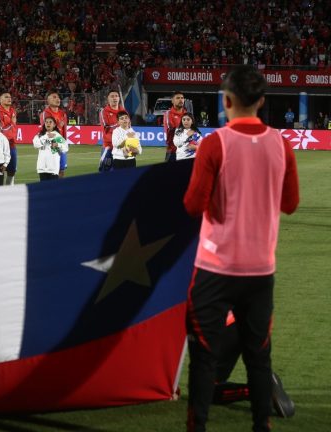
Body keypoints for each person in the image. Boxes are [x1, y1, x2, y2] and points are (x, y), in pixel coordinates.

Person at [183, 65, 300, 432]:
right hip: (260, 270)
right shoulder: (281, 144)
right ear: (261, 102)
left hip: (215, 267)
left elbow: (193, 205)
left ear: (226, 100)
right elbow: (290, 203)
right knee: (259, 359)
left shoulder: (214, 143)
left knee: (204, 358)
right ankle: (261, 426)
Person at [39, 91, 68, 177]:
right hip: (50, 146)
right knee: (51, 172)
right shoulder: (45, 114)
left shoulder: (63, 113)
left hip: (60, 144)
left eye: (58, 97)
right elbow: (45, 131)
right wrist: (58, 126)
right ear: (48, 100)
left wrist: (64, 143)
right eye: (54, 97)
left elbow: (64, 131)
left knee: (61, 171)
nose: (58, 99)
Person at [0, 92, 18, 185]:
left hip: (12, 145)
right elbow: (0, 129)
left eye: (10, 97)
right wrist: (12, 123)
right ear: (0, 100)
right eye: (6, 97)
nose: (9, 98)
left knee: (12, 171)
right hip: (1, 146)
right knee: (0, 171)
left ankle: (9, 190)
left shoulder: (13, 111)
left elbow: (13, 129)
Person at [33, 117, 68, 181]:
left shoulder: (57, 136)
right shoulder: (40, 135)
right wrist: (46, 136)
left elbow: (65, 148)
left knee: (53, 187)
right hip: (42, 168)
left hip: (53, 168)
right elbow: (36, 145)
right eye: (46, 122)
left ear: (54, 125)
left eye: (50, 122)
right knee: (43, 186)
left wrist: (58, 145)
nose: (48, 124)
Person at [98, 90, 123, 172]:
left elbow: (128, 127)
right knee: (105, 172)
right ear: (108, 99)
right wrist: (119, 124)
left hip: (121, 147)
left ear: (119, 98)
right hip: (108, 147)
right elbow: (106, 127)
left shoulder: (123, 111)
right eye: (112, 96)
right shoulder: (104, 112)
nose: (114, 98)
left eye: (116, 96)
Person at [163, 91, 187, 162]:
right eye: (178, 98)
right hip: (173, 152)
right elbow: (171, 130)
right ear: (172, 101)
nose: (181, 100)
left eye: (182, 98)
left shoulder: (187, 114)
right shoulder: (168, 114)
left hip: (186, 152)